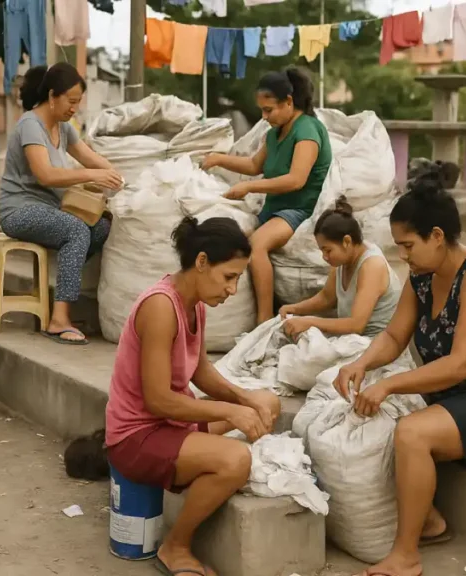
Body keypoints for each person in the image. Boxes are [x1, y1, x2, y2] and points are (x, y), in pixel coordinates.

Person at [333, 170, 466, 576]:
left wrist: (388, 384)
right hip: (449, 397)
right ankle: (431, 521)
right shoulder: (422, 277)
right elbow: (393, 335)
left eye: (408, 245)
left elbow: (462, 364)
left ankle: (406, 556)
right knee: (362, 416)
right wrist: (361, 365)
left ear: (437, 236)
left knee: (410, 432)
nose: (403, 256)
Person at [105, 216, 282, 576]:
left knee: (268, 402)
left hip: (170, 424)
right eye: (229, 277)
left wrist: (246, 399)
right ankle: (176, 546)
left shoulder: (194, 304)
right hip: (137, 436)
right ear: (201, 262)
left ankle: (194, 463)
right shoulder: (160, 307)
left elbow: (199, 371)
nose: (232, 290)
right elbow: (157, 400)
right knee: (235, 460)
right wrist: (231, 413)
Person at [0, 63, 124, 345]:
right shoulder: (30, 125)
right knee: (76, 231)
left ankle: (60, 303)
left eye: (78, 102)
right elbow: (47, 175)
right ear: (53, 96)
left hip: (51, 210)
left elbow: (91, 158)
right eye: (71, 101)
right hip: (19, 210)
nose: (74, 108)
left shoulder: (64, 128)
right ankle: (58, 320)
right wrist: (94, 175)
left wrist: (121, 179)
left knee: (101, 227)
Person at [201, 66, 333, 325]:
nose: (264, 117)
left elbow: (297, 180)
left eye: (269, 110)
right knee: (230, 240)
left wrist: (249, 188)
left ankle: (264, 320)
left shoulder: (307, 129)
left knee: (256, 245)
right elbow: (253, 166)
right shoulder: (273, 134)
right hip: (274, 209)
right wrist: (217, 158)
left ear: (289, 102)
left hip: (301, 209)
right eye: (262, 110)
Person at [278, 196, 401, 340]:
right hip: (352, 338)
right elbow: (326, 298)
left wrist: (310, 322)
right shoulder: (343, 262)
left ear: (347, 241)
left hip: (375, 342)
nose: (324, 256)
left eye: (328, 250)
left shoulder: (371, 266)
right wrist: (294, 308)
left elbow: (356, 325)